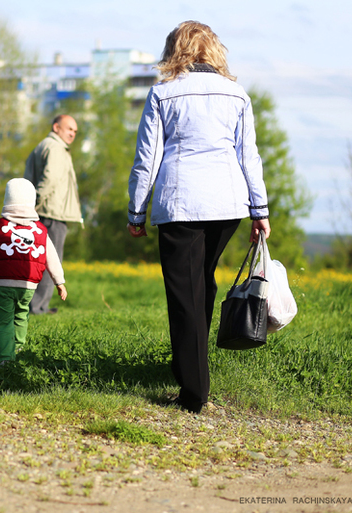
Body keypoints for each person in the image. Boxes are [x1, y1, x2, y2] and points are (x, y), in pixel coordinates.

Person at [127, 21, 271, 414]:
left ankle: (194, 392)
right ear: (214, 50)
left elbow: (147, 159)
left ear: (176, 50)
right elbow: (249, 157)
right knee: (201, 284)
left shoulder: (162, 93)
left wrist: (136, 211)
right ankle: (192, 367)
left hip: (181, 204)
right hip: (228, 206)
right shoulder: (237, 95)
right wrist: (260, 211)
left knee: (184, 295)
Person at [0, 178, 68, 365]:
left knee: (4, 320)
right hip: (28, 284)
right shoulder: (40, 231)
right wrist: (59, 282)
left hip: (2, 283)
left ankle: (5, 358)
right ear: (32, 202)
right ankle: (17, 348)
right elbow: (52, 257)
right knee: (21, 315)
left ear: (7, 200)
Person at [24, 114, 83, 315]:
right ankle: (38, 307)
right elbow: (49, 179)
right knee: (51, 261)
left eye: (75, 131)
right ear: (56, 127)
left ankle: (36, 305)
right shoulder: (56, 148)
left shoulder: (42, 145)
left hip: (43, 212)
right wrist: (35, 203)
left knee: (38, 259)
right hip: (51, 213)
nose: (72, 134)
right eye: (69, 129)